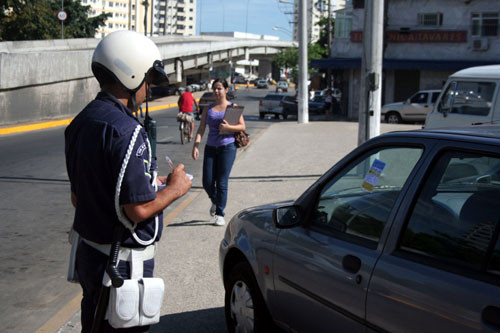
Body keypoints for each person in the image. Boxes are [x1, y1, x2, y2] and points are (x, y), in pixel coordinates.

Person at [64, 30, 192, 332]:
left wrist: (149, 181)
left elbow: (79, 195)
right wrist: (176, 188)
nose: (148, 89)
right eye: (147, 80)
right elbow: (138, 210)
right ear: (131, 74)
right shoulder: (129, 130)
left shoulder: (82, 121)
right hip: (120, 264)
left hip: (89, 256)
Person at [191, 78, 245, 226]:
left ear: (226, 90)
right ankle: (216, 201)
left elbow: (242, 126)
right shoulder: (208, 108)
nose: (216, 91)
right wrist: (196, 145)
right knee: (207, 182)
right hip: (210, 147)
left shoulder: (232, 107)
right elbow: (201, 128)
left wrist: (229, 128)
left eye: (219, 88)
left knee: (221, 181)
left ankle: (220, 213)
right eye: (214, 88)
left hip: (227, 147)